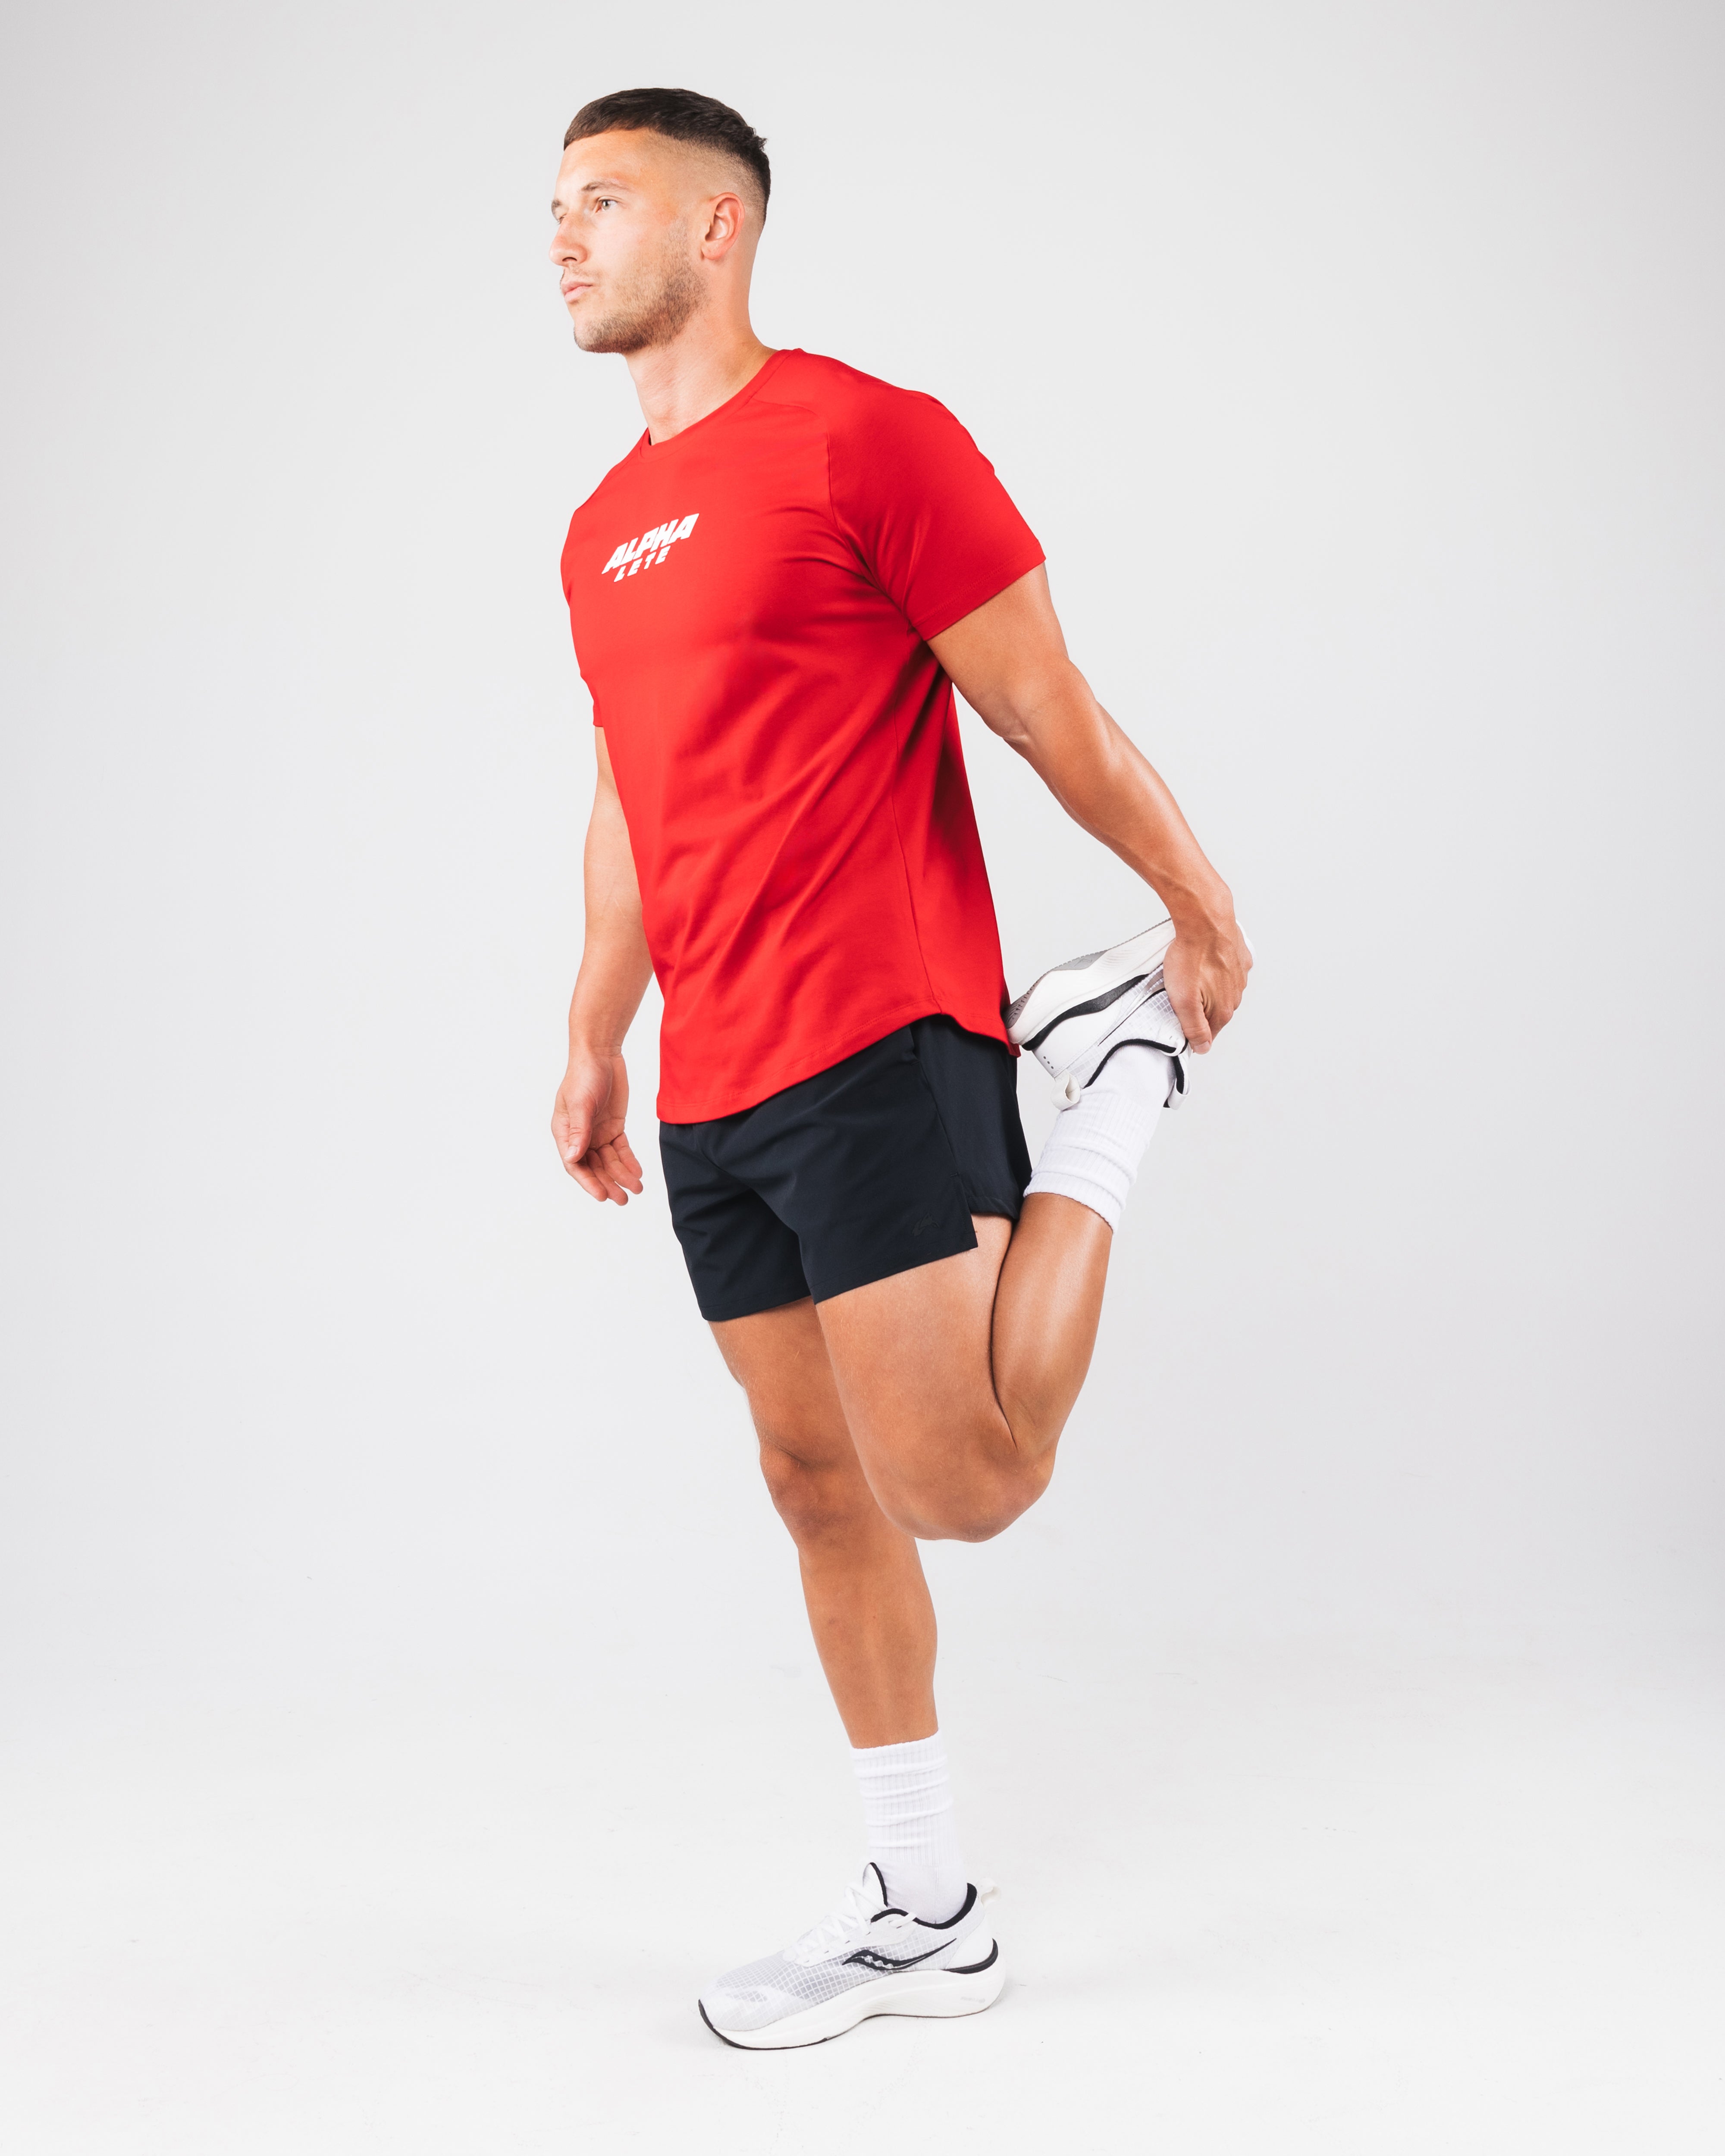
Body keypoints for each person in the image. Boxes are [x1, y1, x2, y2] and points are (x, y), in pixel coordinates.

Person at [547, 86, 1252, 2051]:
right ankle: (924, 1910)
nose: (563, 236)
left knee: (968, 1480)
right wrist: (595, 1032)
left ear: (720, 227)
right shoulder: (598, 536)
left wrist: (1195, 906)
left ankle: (1116, 1081)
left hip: (880, 1023)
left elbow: (1047, 707)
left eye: (602, 200)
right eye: (553, 207)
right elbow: (627, 808)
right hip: (714, 1076)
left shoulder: (869, 436)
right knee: (813, 1483)